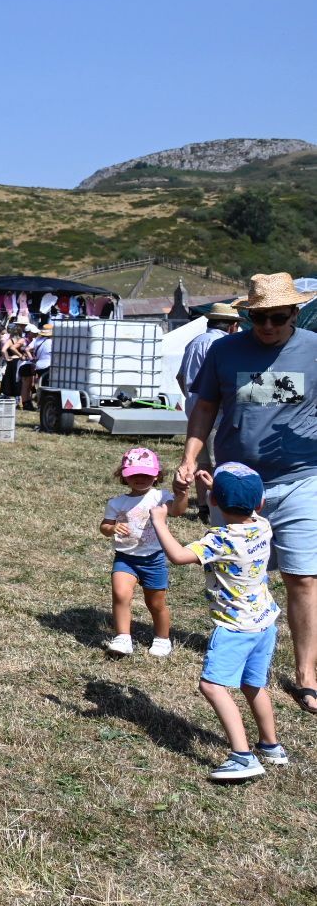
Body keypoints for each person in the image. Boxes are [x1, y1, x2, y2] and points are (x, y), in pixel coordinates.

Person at [178, 272, 317, 711]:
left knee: (303, 577)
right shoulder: (224, 350)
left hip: (301, 478)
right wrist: (190, 457)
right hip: (235, 483)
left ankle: (306, 674)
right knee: (236, 577)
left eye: (278, 317)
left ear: (295, 312)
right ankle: (236, 651)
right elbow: (205, 407)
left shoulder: (315, 350)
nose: (268, 326)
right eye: (259, 317)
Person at [151, 463, 287, 781]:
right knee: (254, 685)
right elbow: (239, 507)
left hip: (235, 627)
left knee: (212, 685)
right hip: (265, 622)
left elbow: (179, 556)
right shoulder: (263, 525)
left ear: (213, 503)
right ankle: (272, 746)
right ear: (260, 503)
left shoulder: (220, 541)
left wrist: (160, 522)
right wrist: (216, 489)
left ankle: (243, 757)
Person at [99, 447, 188, 657]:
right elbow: (104, 527)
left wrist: (182, 494)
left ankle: (162, 638)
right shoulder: (116, 503)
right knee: (120, 595)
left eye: (146, 474)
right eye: (134, 474)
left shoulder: (160, 497)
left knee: (156, 603)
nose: (140, 478)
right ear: (124, 476)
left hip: (153, 559)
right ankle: (123, 637)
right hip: (125, 558)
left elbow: (177, 511)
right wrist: (111, 528)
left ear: (156, 475)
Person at [176, 302, 241, 513]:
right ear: (232, 326)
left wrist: (191, 397)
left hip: (194, 409)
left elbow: (180, 376)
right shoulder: (224, 346)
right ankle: (218, 505)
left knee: (200, 461)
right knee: (217, 462)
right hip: (216, 412)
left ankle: (203, 505)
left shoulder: (194, 342)